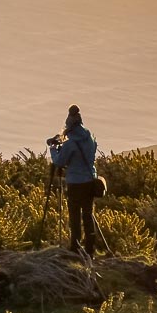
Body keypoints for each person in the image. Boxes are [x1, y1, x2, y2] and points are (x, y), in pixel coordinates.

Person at [48, 104, 99, 255]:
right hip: (90, 180)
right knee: (88, 214)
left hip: (76, 182)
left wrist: (53, 148)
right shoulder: (89, 137)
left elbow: (59, 162)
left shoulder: (70, 143)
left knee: (75, 215)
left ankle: (76, 248)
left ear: (69, 124)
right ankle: (90, 249)